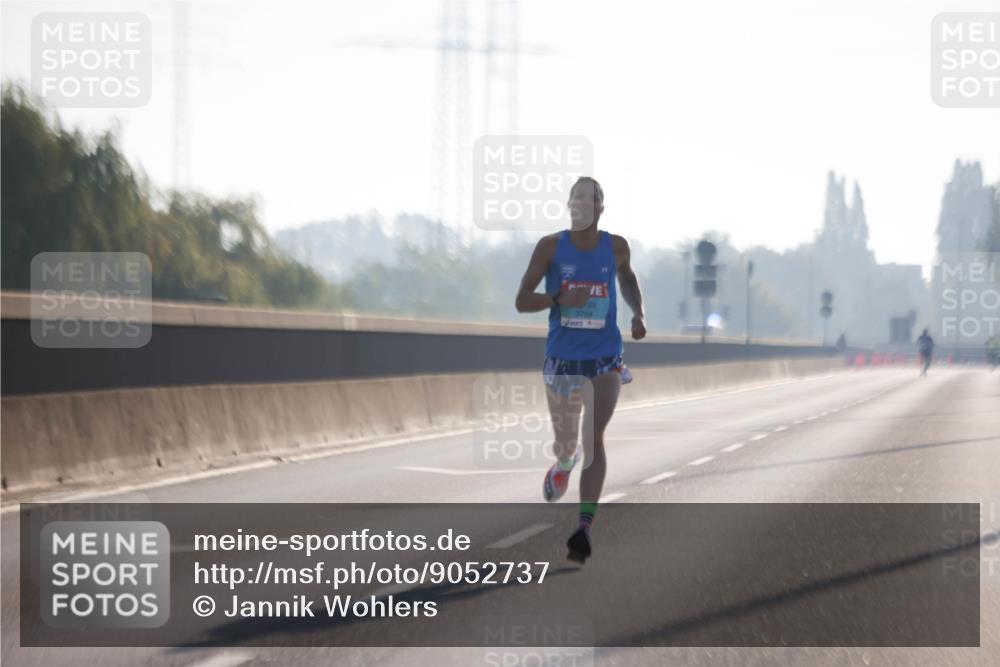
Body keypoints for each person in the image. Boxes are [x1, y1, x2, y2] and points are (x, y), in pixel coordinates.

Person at [514, 176, 646, 563]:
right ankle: (564, 463)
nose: (582, 205)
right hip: (563, 359)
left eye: (590, 199)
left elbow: (629, 281)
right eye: (576, 199)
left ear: (601, 207)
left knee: (594, 437)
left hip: (605, 358)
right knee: (568, 443)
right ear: (569, 206)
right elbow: (522, 300)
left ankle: (584, 527)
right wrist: (559, 298)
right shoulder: (551, 247)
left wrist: (639, 314)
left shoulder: (617, 247)